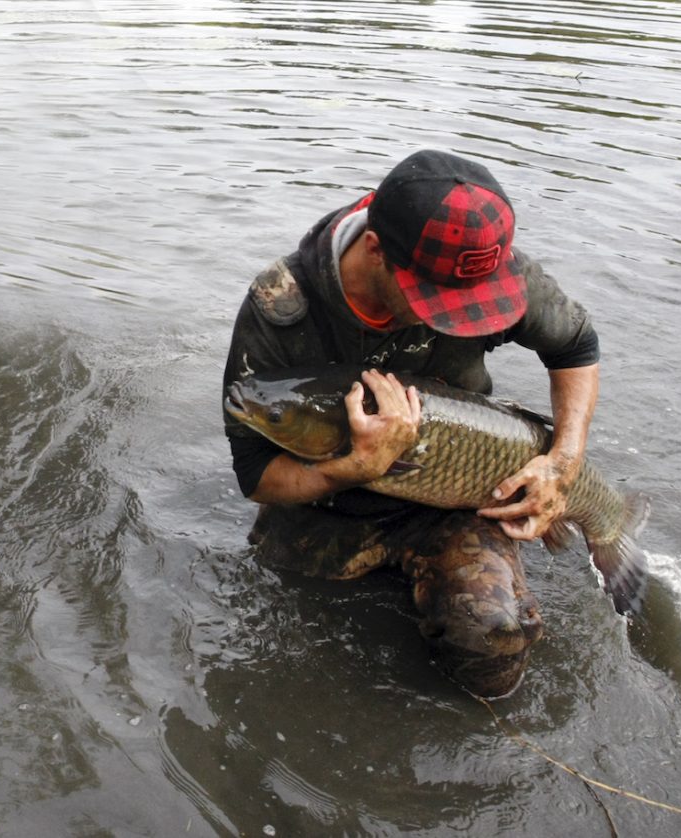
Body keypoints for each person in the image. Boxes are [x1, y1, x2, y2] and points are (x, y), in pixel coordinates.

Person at [222, 150, 600, 698]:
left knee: (491, 644)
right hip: (324, 503)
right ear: (375, 251)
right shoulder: (280, 306)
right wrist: (353, 468)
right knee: (292, 653)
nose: (461, 312)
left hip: (458, 494)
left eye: (473, 302)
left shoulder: (491, 271)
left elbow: (576, 345)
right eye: (442, 301)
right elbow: (254, 473)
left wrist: (563, 461)